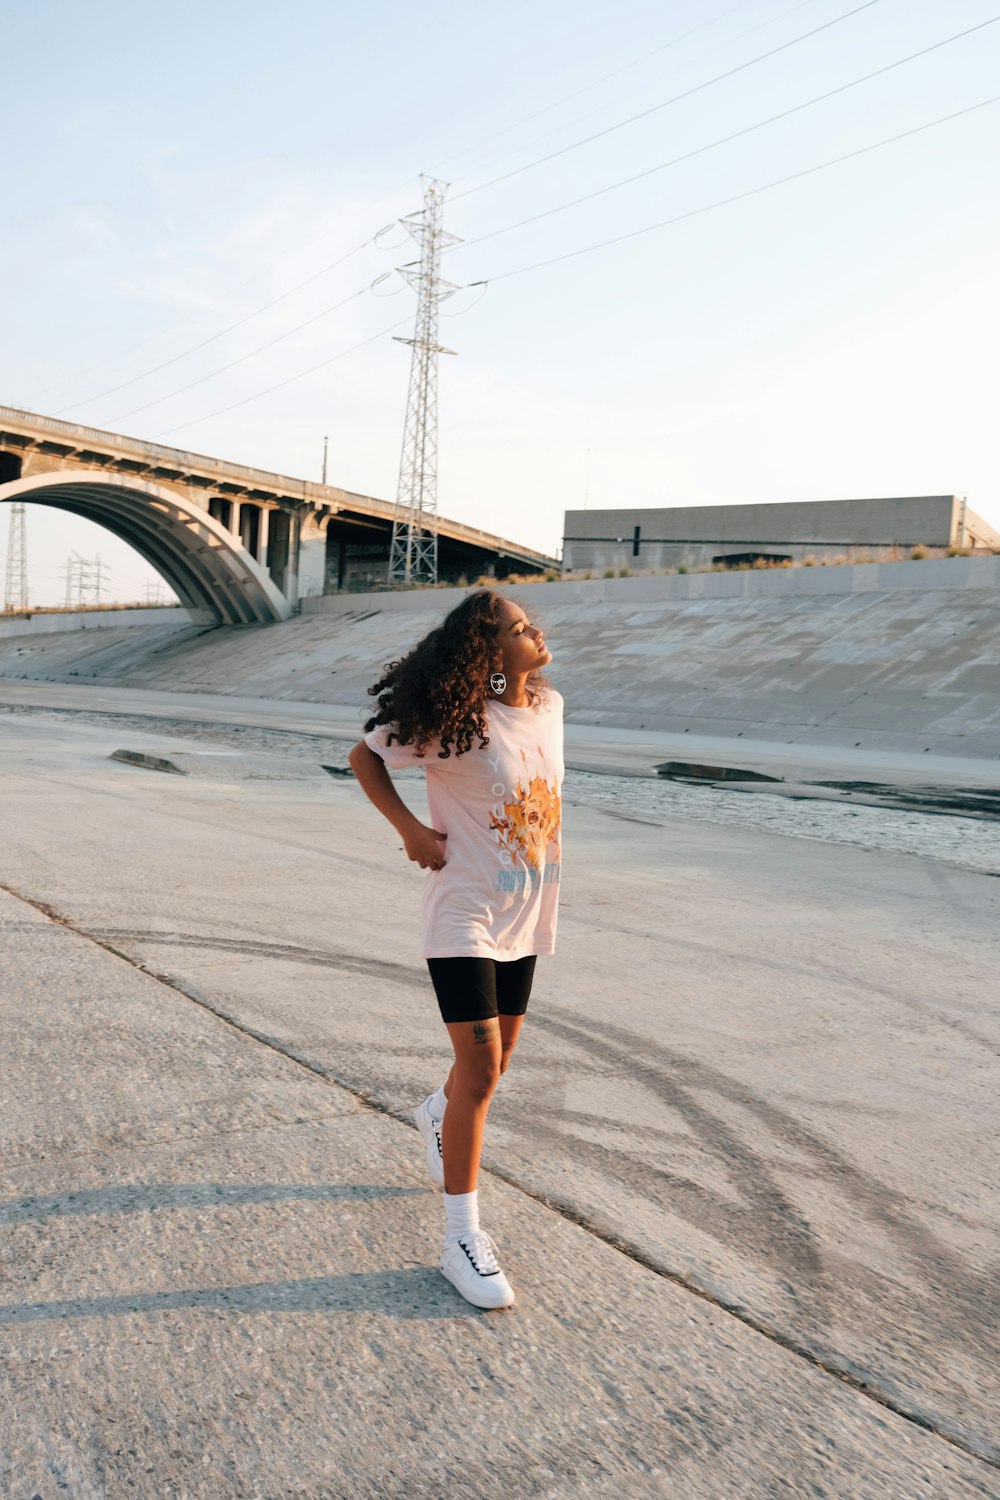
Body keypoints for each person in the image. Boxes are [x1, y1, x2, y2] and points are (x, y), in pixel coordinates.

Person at [347, 588, 563, 1309]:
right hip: (463, 914)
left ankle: (437, 1113)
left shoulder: (550, 709)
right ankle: (460, 1239)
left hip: (525, 915)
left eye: (530, 623)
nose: (534, 632)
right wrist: (410, 831)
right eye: (519, 628)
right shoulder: (455, 723)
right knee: (481, 1070)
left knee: (493, 1067)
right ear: (488, 651)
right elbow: (365, 756)